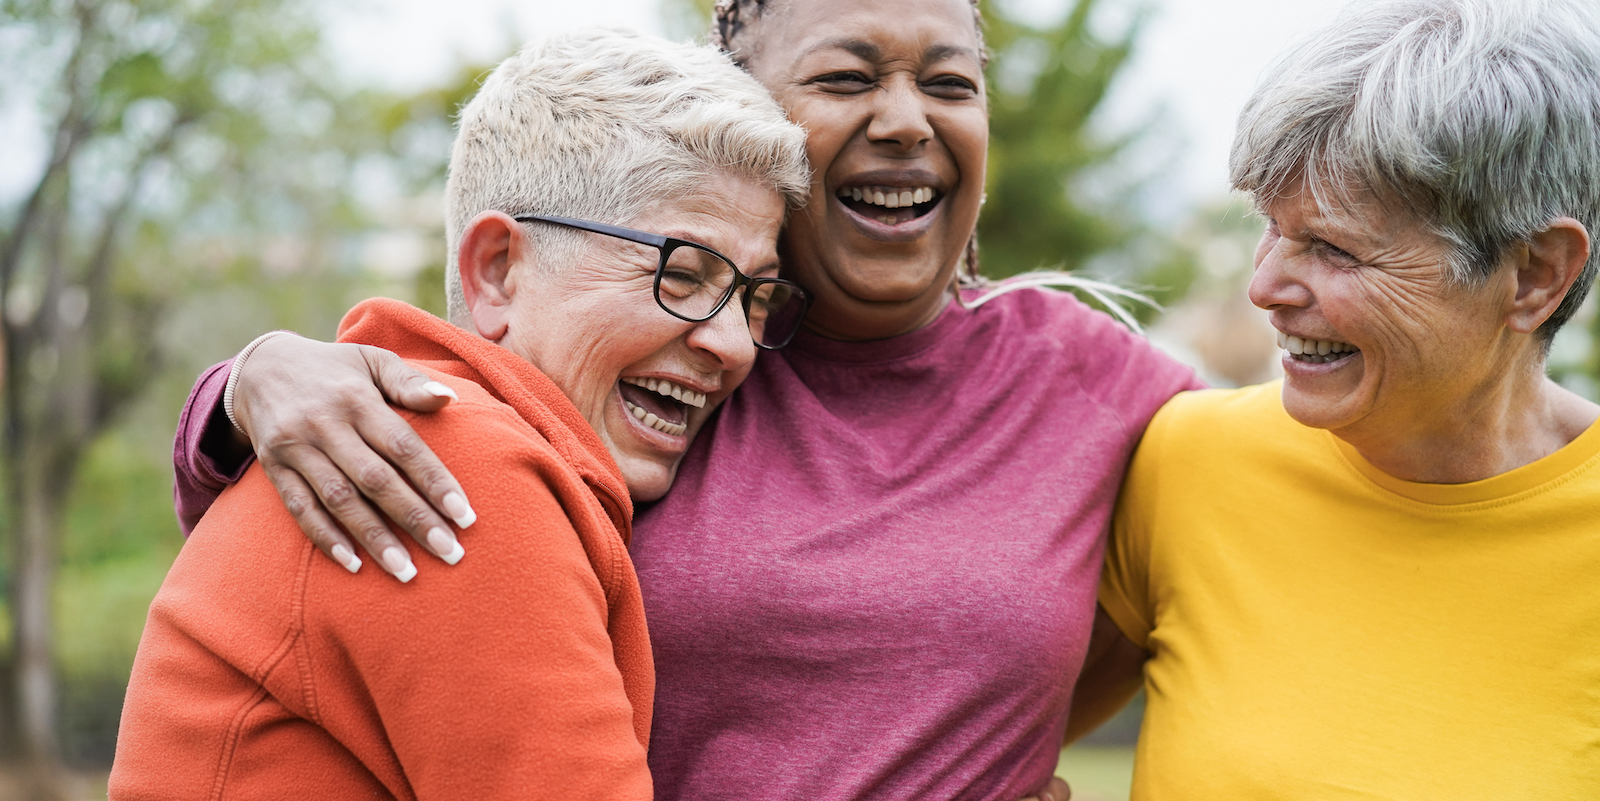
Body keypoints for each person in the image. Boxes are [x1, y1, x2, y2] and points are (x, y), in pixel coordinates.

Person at [171, 0, 1196, 798]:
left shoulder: (1100, 389)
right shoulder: (602, 379)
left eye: (949, 82)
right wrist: (247, 383)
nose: (903, 118)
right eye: (845, 76)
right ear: (755, 112)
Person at [110, 29, 811, 799]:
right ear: (498, 270)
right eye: (685, 272)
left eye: (755, 295)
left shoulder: (404, 428)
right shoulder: (458, 464)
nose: (736, 344)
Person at [1071, 0, 1600, 796]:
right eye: (1271, 229)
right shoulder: (1188, 461)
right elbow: (961, 738)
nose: (1263, 287)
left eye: (1331, 246)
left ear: (1535, 275)